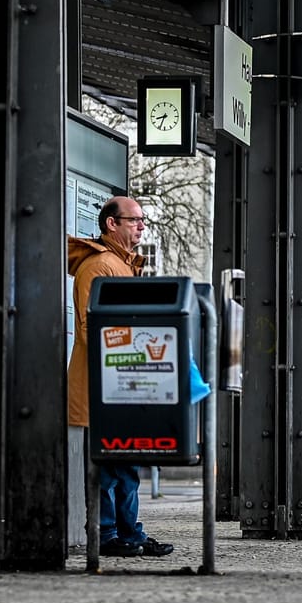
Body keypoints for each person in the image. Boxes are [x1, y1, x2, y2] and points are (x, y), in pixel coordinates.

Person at [68, 195, 174, 558]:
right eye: (134, 220)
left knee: (127, 465)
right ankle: (107, 533)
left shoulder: (122, 265)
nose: (141, 225)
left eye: (142, 220)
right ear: (111, 224)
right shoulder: (99, 267)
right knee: (109, 466)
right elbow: (88, 329)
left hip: (123, 383)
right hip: (104, 387)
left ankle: (130, 533)